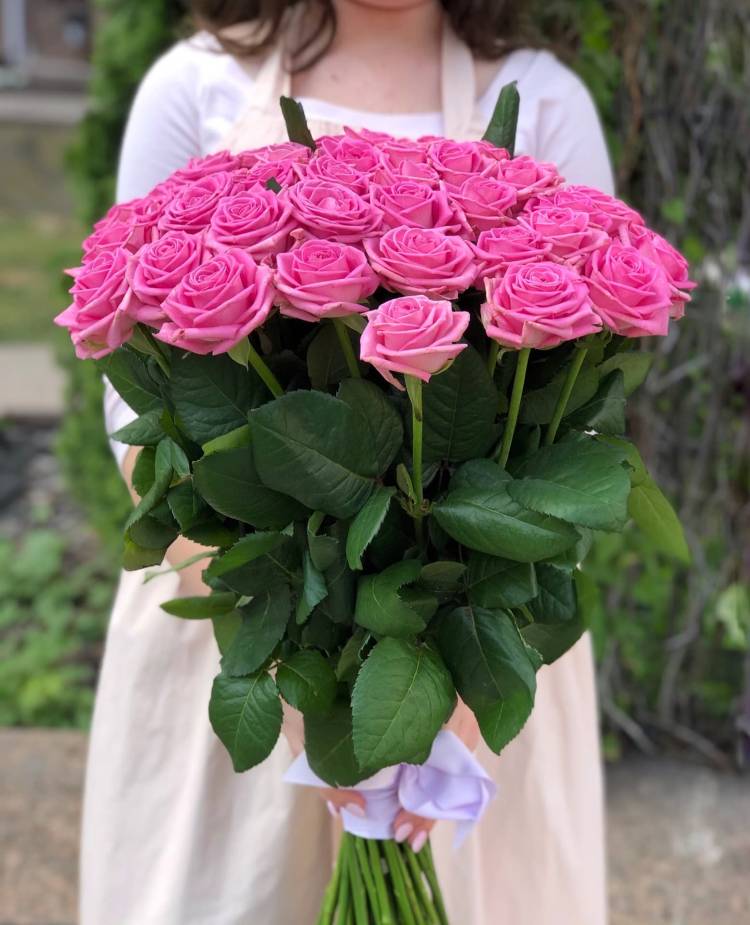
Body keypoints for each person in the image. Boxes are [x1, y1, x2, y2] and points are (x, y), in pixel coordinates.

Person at [80, 2, 614, 923]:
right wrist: (295, 672)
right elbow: (134, 399)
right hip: (240, 622)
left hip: (473, 651)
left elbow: (581, 450)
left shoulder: (543, 96)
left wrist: (436, 712)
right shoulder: (195, 85)